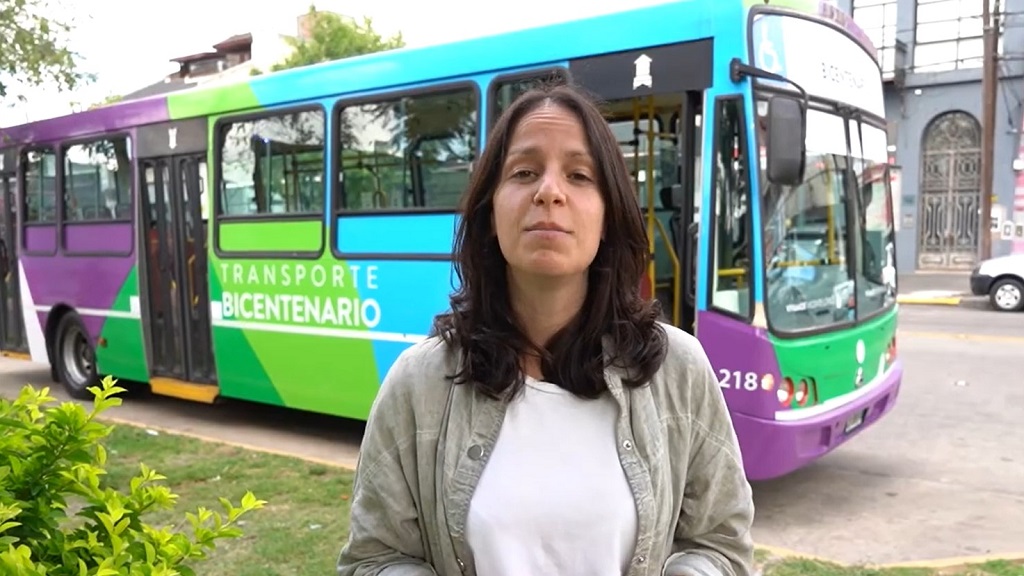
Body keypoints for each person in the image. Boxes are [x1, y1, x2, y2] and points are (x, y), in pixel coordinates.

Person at [336, 81, 755, 576]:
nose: (549, 192)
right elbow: (376, 557)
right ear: (491, 211)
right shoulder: (419, 384)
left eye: (579, 175)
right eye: (524, 172)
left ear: (608, 217)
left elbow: (720, 544)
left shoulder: (678, 370)